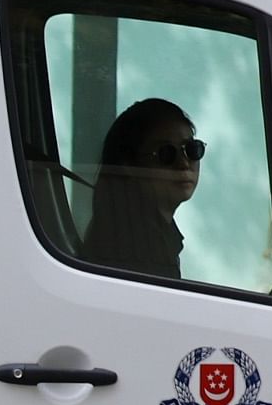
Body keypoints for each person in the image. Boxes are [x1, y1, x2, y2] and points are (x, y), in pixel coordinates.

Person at [82, 95, 204, 281]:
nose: (184, 163)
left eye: (191, 148)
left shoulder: (151, 233)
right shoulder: (133, 246)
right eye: (166, 153)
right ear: (129, 166)